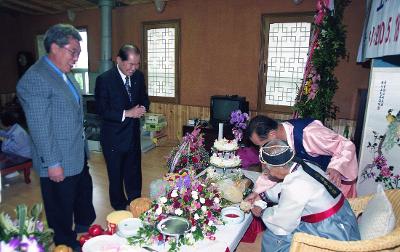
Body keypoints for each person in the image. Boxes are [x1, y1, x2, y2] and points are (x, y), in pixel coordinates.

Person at [17, 24, 96, 250]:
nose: (76, 58)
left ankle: (85, 233)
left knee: (82, 199)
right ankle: (65, 244)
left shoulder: (63, 75)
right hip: (57, 159)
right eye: (73, 52)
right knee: (60, 210)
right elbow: (40, 127)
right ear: (54, 47)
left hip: (76, 154)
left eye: (78, 53)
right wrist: (52, 163)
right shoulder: (36, 78)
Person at [249, 139, 360, 252]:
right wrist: (262, 195)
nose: (268, 172)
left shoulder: (295, 186)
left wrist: (262, 212)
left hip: (330, 229)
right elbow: (286, 187)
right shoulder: (303, 164)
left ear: (279, 167)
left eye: (268, 168)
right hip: (344, 215)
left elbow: (282, 222)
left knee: (272, 238)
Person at [247, 115, 358, 198]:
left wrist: (336, 167)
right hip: (312, 189)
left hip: (335, 184)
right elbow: (271, 172)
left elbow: (346, 145)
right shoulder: (276, 142)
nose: (262, 149)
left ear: (272, 134)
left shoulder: (309, 133)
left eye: (262, 145)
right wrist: (257, 192)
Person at [95, 44, 150, 210]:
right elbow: (102, 110)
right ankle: (119, 208)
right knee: (116, 175)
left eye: (137, 64)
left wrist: (143, 108)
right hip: (113, 138)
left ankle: (135, 203)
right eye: (130, 64)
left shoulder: (138, 77)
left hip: (132, 135)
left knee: (134, 172)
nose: (134, 68)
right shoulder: (105, 80)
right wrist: (127, 113)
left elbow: (144, 99)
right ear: (119, 60)